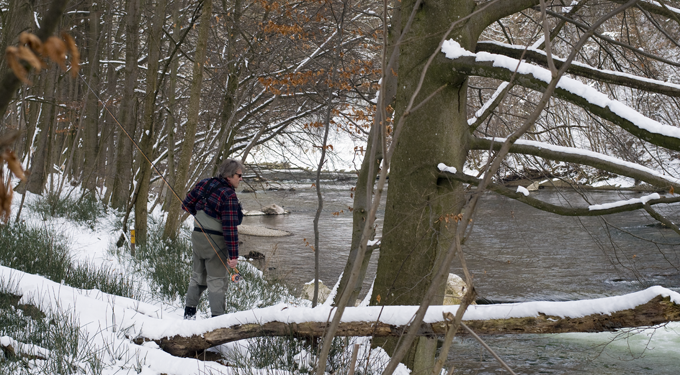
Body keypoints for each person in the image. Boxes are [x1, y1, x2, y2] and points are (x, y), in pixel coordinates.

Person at [182, 159, 244, 319]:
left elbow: (186, 205)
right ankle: (218, 321)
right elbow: (230, 228)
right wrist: (234, 255)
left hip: (197, 237)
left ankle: (188, 315)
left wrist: (202, 212)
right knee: (217, 281)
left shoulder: (204, 184)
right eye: (239, 175)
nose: (241, 178)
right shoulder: (229, 195)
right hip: (216, 242)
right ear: (229, 176)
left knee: (197, 276)